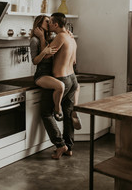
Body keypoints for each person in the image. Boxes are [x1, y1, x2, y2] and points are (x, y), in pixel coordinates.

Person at [40, 12, 79, 159]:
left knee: (46, 113)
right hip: (72, 79)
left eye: (50, 22)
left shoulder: (60, 37)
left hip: (61, 79)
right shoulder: (70, 37)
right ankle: (69, 147)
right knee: (68, 114)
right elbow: (73, 61)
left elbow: (46, 56)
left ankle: (59, 145)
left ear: (56, 24)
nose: (48, 24)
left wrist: (42, 38)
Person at [29, 15, 65, 121]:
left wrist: (69, 34)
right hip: (41, 75)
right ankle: (58, 109)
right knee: (60, 86)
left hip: (51, 74)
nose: (49, 23)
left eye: (50, 21)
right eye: (47, 21)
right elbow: (35, 61)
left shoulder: (51, 38)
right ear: (39, 24)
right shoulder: (34, 40)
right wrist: (44, 51)